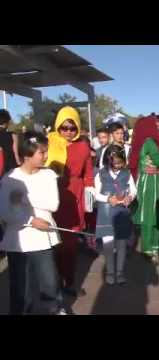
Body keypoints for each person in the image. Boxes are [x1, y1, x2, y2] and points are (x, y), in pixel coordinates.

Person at [0, 132, 66, 315]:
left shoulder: (49, 175)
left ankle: (54, 310)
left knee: (50, 283)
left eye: (46, 152)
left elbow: (53, 204)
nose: (46, 156)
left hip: (43, 239)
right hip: (18, 241)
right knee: (21, 288)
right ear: (27, 155)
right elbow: (5, 212)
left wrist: (22, 200)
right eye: (42, 153)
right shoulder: (10, 178)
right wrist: (30, 220)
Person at [46, 106, 95, 297]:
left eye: (72, 128)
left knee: (70, 244)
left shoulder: (83, 145)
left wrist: (89, 196)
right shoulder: (49, 142)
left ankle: (69, 281)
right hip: (52, 194)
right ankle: (53, 281)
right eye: (64, 127)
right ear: (58, 125)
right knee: (53, 243)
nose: (68, 132)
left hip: (74, 196)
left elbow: (88, 173)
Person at [95, 145, 137, 285]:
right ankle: (110, 272)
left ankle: (119, 272)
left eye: (120, 162)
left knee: (121, 244)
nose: (118, 166)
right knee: (107, 245)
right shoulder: (100, 173)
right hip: (106, 213)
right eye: (115, 163)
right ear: (108, 161)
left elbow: (133, 189)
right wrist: (107, 199)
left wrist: (130, 197)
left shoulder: (127, 173)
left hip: (121, 212)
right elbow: (96, 194)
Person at [129, 115, 159, 260]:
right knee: (150, 214)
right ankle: (148, 248)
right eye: (155, 125)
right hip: (150, 182)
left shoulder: (142, 141)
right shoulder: (150, 142)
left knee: (154, 213)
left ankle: (153, 246)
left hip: (150, 179)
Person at [0, 109, 20, 178]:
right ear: (6, 122)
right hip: (10, 167)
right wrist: (19, 164)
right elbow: (15, 153)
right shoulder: (13, 135)